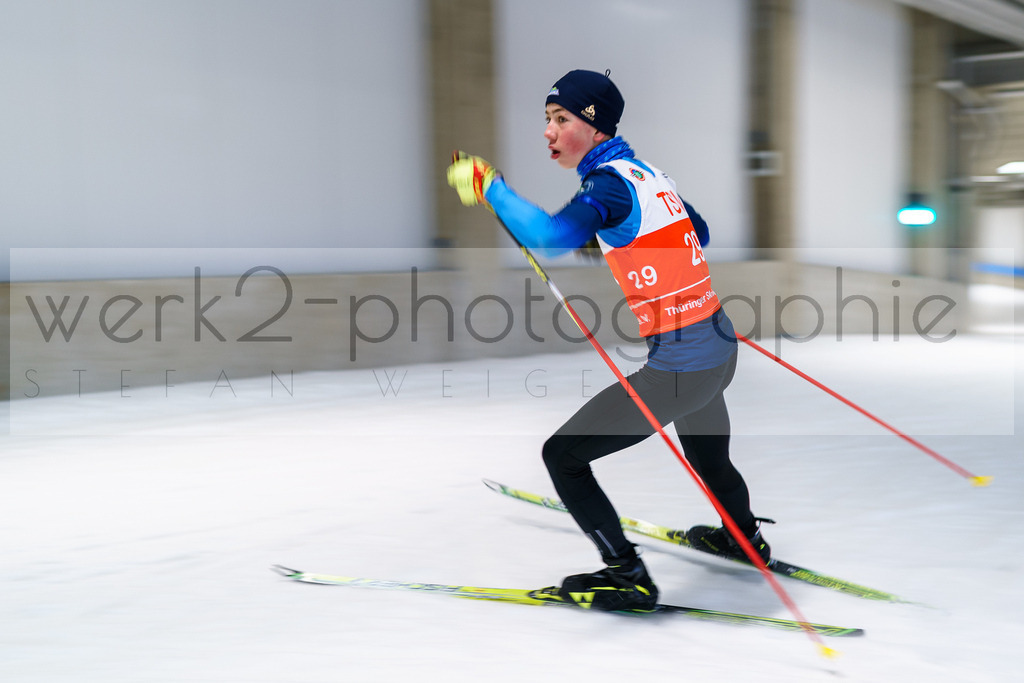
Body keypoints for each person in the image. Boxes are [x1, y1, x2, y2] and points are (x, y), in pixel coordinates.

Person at [446, 69, 769, 612]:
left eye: (561, 119)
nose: (548, 132)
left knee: (563, 457)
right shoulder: (645, 174)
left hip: (681, 369)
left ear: (594, 127)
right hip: (719, 349)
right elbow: (700, 231)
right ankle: (745, 541)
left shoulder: (609, 187)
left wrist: (490, 187)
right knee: (710, 460)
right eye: (547, 120)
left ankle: (627, 576)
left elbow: (549, 239)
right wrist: (616, 235)